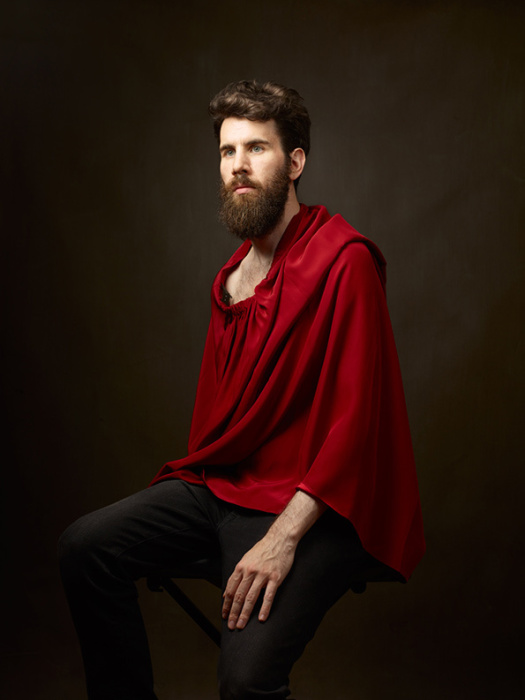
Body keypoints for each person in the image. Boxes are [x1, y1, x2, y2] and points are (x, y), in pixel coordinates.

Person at [59, 80, 425, 700]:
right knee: (85, 549)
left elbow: (357, 423)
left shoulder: (345, 262)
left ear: (295, 162)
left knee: (246, 679)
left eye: (257, 148)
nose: (238, 165)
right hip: (228, 486)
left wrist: (281, 539)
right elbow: (224, 429)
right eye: (228, 151)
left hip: (317, 504)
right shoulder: (230, 279)